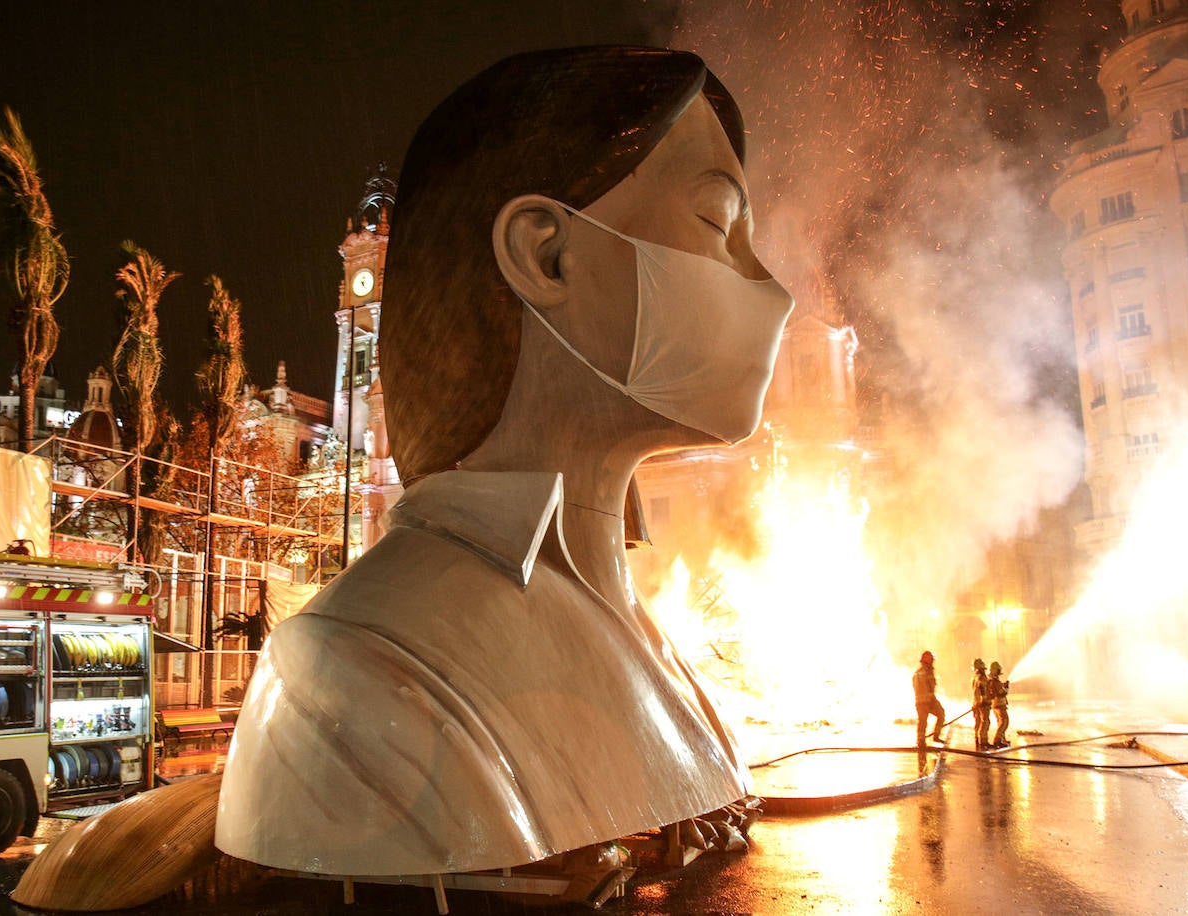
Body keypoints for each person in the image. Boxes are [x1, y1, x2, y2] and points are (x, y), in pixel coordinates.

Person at [213, 47, 794, 878]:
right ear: (545, 254)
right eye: (717, 224)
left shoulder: (651, 636)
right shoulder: (355, 674)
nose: (772, 289)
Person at [912, 650, 944, 747]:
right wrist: (930, 699)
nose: (933, 662)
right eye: (931, 660)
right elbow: (927, 688)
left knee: (925, 720)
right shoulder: (924, 673)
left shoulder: (920, 672)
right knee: (925, 720)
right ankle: (922, 740)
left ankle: (926, 738)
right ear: (928, 661)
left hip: (924, 700)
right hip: (926, 701)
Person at [988, 660, 1010, 748]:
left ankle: (1001, 739)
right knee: (1004, 722)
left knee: (1000, 722)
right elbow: (1002, 693)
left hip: (995, 705)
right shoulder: (995, 681)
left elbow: (998, 689)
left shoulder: (992, 680)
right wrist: (1007, 687)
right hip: (999, 704)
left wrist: (1003, 685)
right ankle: (997, 740)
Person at [971, 658, 990, 750]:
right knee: (985, 721)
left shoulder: (975, 677)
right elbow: (983, 689)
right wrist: (984, 700)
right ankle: (983, 741)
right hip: (982, 703)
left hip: (976, 702)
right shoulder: (981, 677)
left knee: (978, 722)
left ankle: (977, 739)